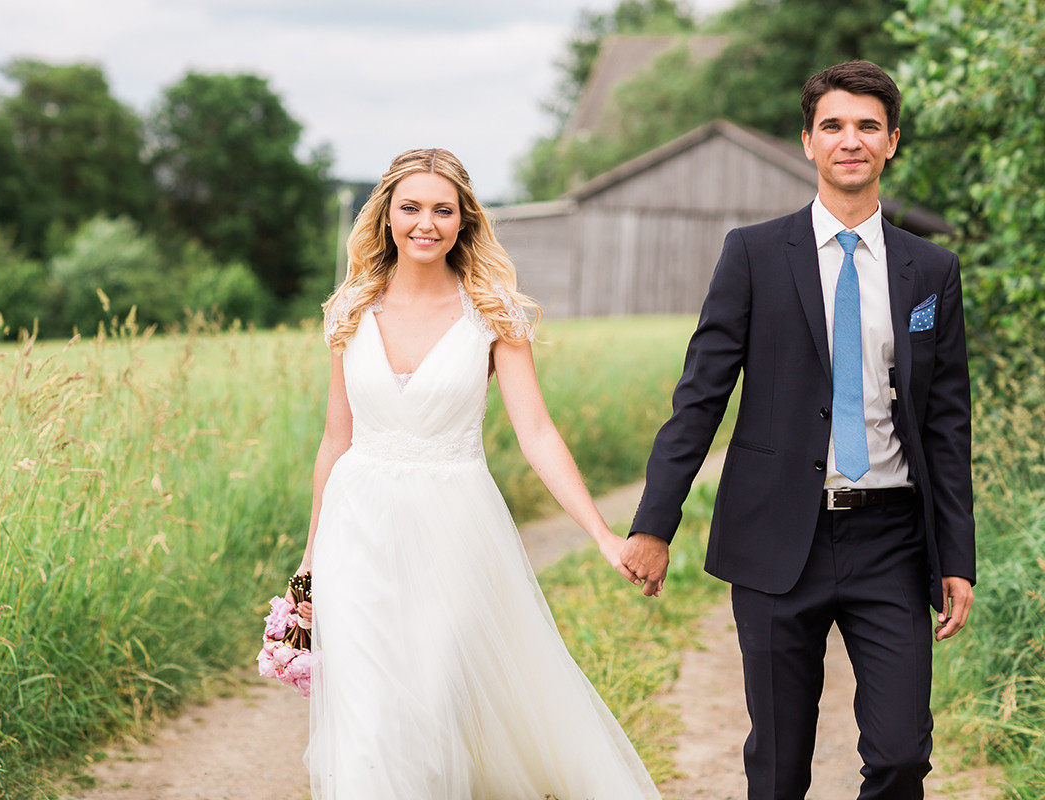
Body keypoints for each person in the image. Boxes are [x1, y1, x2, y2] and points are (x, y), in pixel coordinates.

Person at [620, 60, 975, 799]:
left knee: (902, 754)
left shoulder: (930, 271)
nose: (852, 140)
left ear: (892, 142)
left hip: (893, 540)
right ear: (808, 142)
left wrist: (957, 556)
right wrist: (655, 523)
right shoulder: (752, 254)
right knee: (779, 764)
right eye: (835, 126)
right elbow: (700, 399)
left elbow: (945, 422)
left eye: (868, 126)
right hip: (777, 534)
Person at [293, 148, 661, 799]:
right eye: (410, 208)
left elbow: (538, 433)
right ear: (385, 216)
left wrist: (602, 535)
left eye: (443, 209)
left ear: (464, 220)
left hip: (452, 528)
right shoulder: (349, 309)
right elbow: (335, 439)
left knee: (432, 705)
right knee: (367, 716)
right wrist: (309, 558)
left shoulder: (491, 314)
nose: (425, 223)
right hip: (357, 530)